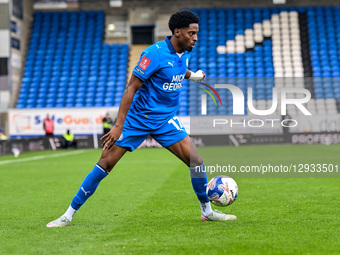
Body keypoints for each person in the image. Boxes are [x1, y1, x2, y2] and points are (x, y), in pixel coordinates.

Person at [46, 10, 236, 228]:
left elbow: (176, 68)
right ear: (177, 32)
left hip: (165, 120)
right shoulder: (153, 54)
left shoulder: (185, 50)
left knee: (196, 162)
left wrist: (193, 76)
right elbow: (130, 89)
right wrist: (118, 125)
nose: (196, 38)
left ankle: (207, 211)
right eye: (192, 33)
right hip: (137, 119)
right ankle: (67, 215)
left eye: (196, 33)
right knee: (104, 165)